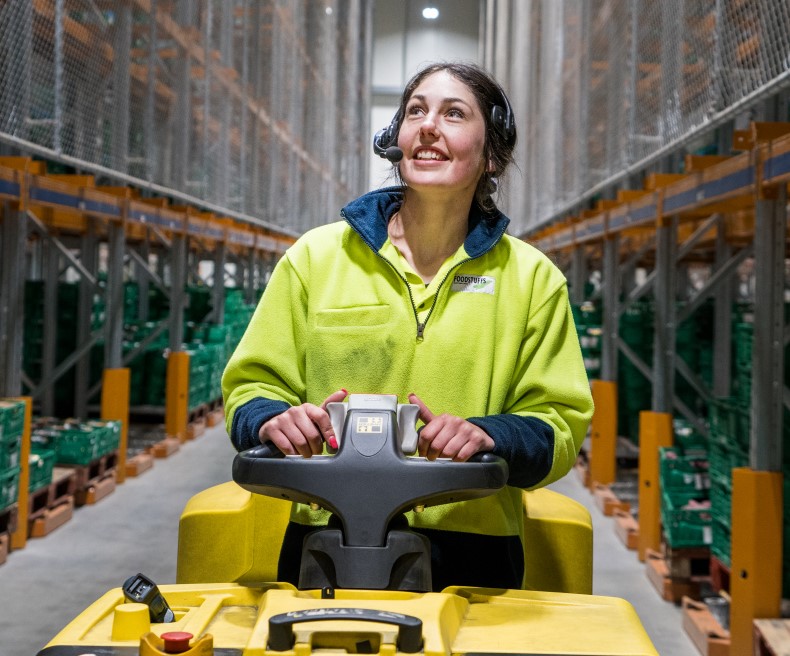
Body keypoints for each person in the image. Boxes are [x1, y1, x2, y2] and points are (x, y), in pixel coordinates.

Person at [222, 61, 594, 591]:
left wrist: (489, 434)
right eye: (416, 110)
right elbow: (249, 387)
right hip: (325, 538)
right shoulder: (317, 258)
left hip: (474, 551)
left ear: (492, 155)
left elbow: (558, 425)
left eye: (454, 113)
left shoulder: (532, 280)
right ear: (394, 140)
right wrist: (272, 420)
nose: (428, 125)